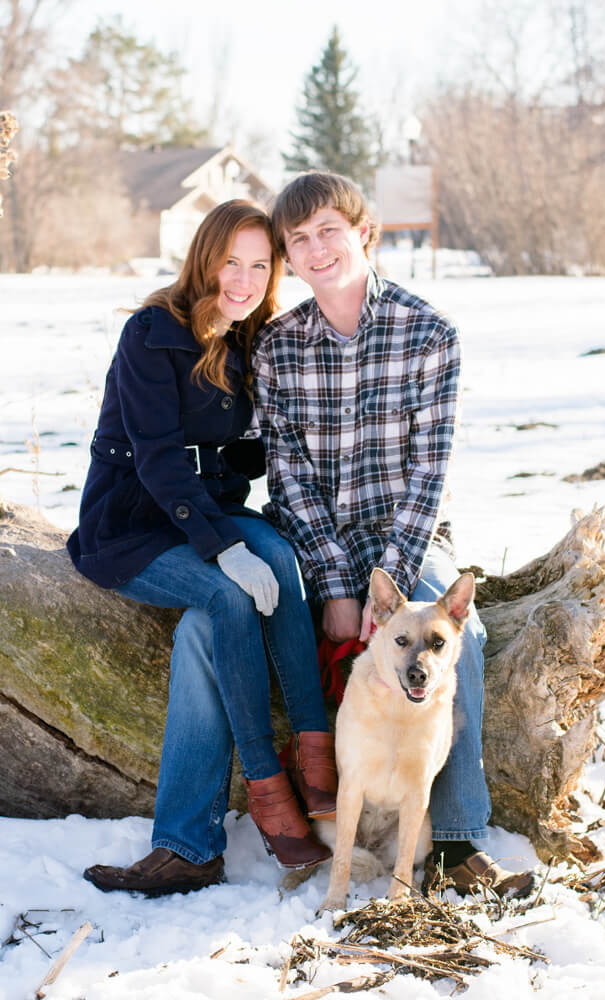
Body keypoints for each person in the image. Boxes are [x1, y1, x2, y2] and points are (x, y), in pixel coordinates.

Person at [251, 171, 535, 899]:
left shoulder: (429, 333)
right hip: (311, 541)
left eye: (328, 231)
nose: (316, 250)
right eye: (298, 240)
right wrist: (339, 588)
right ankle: (301, 811)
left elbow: (426, 478)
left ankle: (455, 837)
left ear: (363, 230)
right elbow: (287, 477)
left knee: (454, 639)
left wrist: (386, 593)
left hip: (404, 537)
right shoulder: (278, 346)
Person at [67, 199, 337, 897]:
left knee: (276, 556)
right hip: (131, 525)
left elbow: (238, 459)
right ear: (204, 260)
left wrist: (267, 442)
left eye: (258, 266)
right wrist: (222, 550)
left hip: (206, 513)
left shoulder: (250, 340)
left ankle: (316, 756)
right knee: (224, 596)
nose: (242, 281)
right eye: (229, 263)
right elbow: (158, 460)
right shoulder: (152, 334)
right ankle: (268, 788)